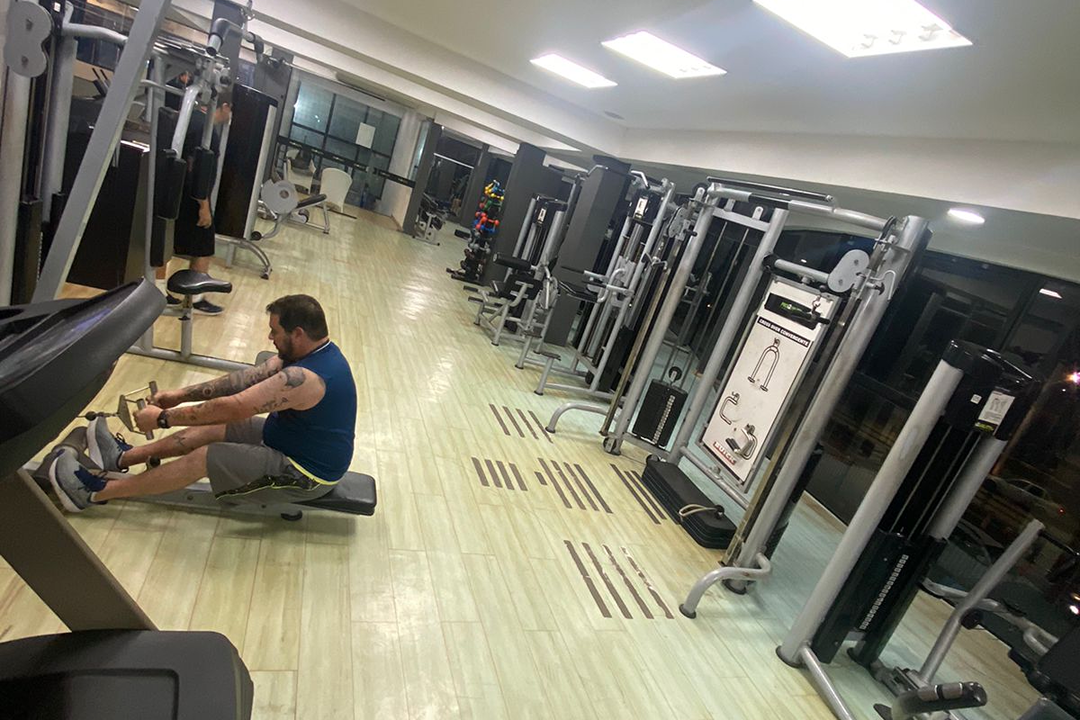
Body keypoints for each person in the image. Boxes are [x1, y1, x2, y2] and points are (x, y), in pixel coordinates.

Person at [48, 295, 357, 512]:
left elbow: (235, 405)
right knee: (217, 428)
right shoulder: (305, 354)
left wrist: (164, 418)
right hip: (288, 441)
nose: (269, 337)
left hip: (305, 474)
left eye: (274, 331)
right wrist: (178, 395)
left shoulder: (308, 378)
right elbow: (240, 382)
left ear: (298, 334)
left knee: (207, 456)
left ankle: (94, 492)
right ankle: (121, 458)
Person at [168, 91, 233, 314]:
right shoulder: (206, 132)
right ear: (225, 106)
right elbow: (196, 168)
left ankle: (159, 291)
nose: (230, 116)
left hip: (175, 192)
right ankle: (195, 299)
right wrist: (203, 204)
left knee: (164, 241)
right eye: (231, 111)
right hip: (193, 197)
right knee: (204, 246)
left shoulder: (189, 119)